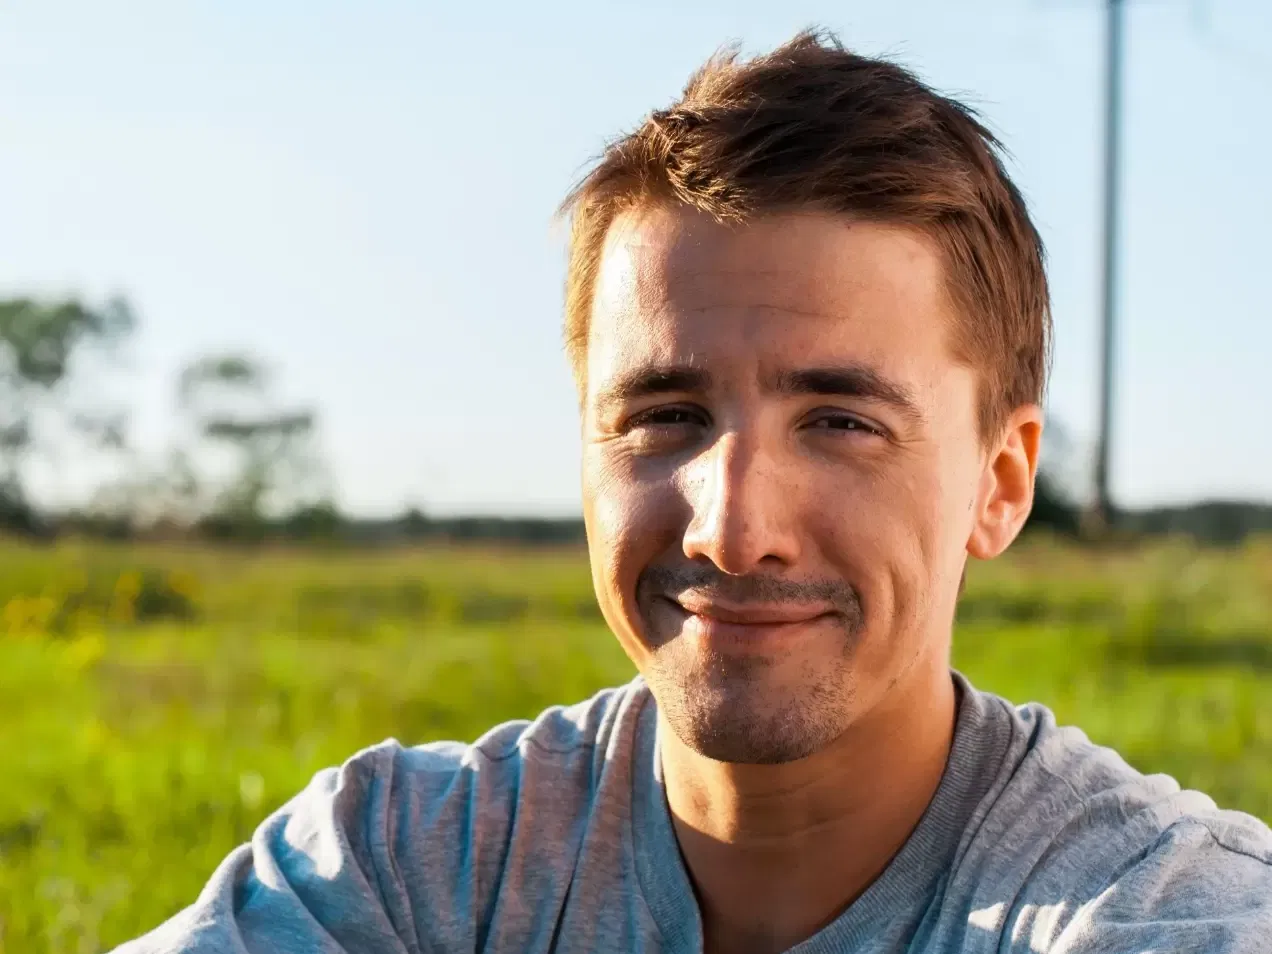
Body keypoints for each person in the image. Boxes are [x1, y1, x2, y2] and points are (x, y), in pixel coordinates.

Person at [116, 30, 1272, 954]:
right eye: (666, 417)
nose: (733, 528)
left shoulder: (1160, 910)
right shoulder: (397, 873)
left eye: (841, 423)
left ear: (1002, 482)